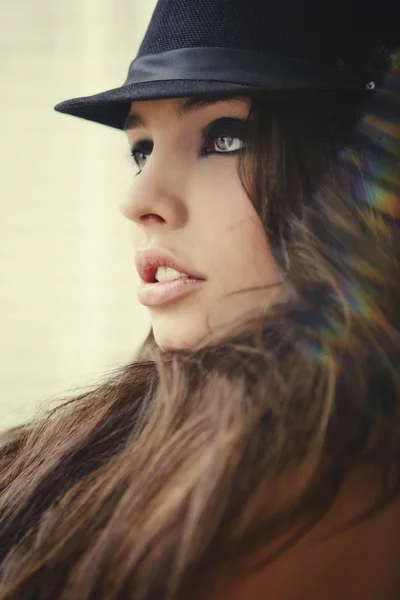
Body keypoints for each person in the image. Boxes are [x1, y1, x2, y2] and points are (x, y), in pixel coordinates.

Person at [0, 0, 399, 598]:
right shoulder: (110, 435)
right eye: (142, 149)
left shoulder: (327, 492)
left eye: (226, 137)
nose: (139, 198)